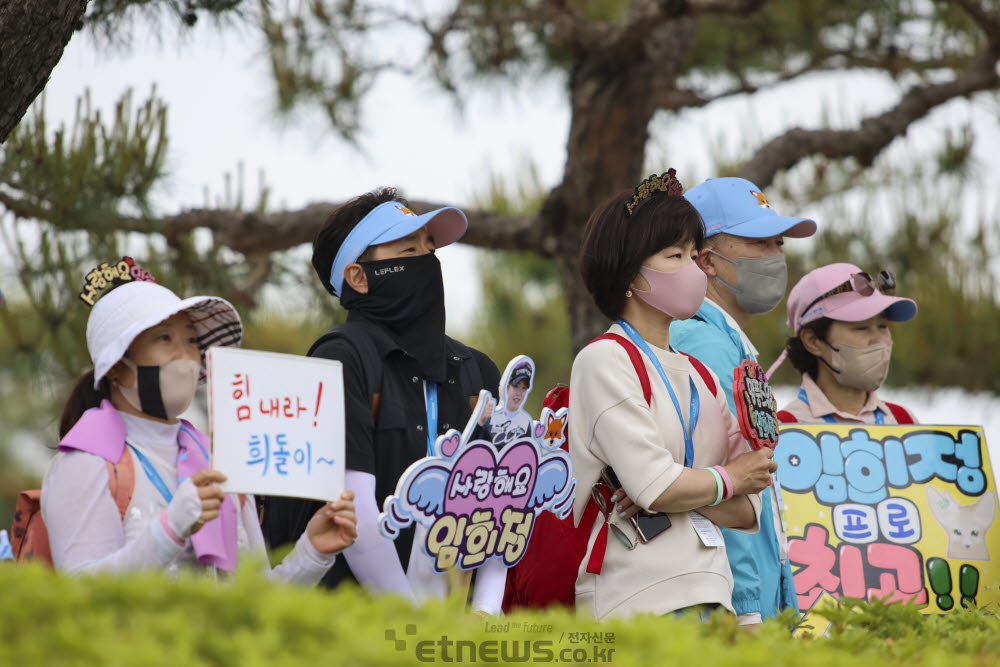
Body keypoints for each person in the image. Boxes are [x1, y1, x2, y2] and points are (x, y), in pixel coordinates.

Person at [260, 188, 507, 612]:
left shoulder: (476, 368)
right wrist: (414, 627)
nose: (428, 259)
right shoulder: (341, 357)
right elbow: (352, 513)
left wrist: (482, 613)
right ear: (358, 277)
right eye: (409, 248)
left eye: (430, 246)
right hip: (354, 628)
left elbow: (503, 508)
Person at [42, 275, 357, 577]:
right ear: (115, 369)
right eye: (164, 338)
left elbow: (254, 598)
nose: (186, 356)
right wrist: (170, 529)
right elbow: (81, 590)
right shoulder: (86, 462)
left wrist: (313, 552)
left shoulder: (220, 462)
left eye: (192, 341)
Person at [570, 171, 776, 620]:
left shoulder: (698, 371)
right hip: (635, 603)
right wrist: (722, 480)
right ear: (629, 272)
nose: (695, 268)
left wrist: (687, 486)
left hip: (712, 598)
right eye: (674, 255)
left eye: (693, 254)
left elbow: (748, 507)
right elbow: (659, 484)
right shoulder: (606, 359)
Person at [670, 177, 816, 625]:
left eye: (778, 243)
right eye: (759, 242)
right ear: (707, 260)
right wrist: (751, 611)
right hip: (727, 610)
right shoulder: (704, 345)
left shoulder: (718, 340)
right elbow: (728, 488)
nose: (776, 256)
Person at [771, 262, 918, 424]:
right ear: (812, 341)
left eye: (883, 326)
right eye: (861, 328)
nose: (879, 340)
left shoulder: (903, 421)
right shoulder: (784, 429)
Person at [488, 360, 533, 445]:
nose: (519, 393)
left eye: (524, 388)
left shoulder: (526, 422)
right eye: (516, 386)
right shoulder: (492, 416)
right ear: (508, 387)